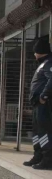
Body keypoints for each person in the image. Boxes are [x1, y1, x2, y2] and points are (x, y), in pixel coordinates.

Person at [24, 35, 52, 170]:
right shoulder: (43, 64)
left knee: (44, 131)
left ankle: (48, 159)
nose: (34, 54)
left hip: (43, 104)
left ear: (39, 51)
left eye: (35, 51)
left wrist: (44, 96)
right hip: (37, 104)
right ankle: (38, 155)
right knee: (36, 132)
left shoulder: (48, 63)